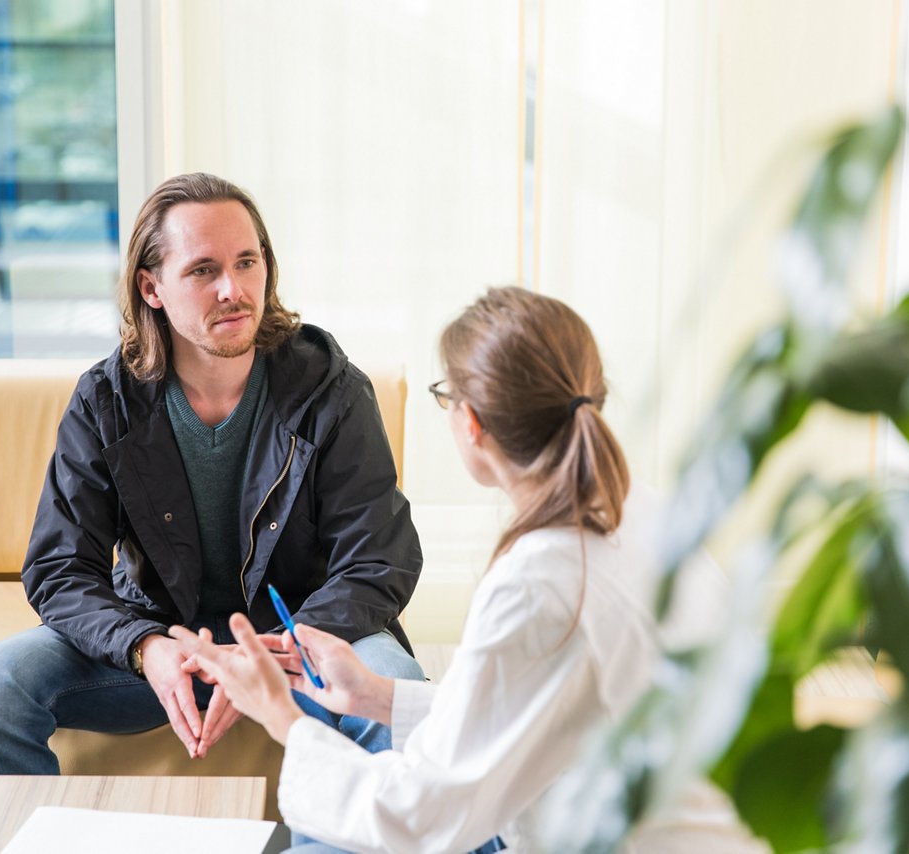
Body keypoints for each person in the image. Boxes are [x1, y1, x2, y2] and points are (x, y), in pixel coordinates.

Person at [172, 286, 767, 853]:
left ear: (472, 422)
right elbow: (526, 713)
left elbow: (421, 817)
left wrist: (280, 715)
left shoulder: (537, 582)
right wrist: (377, 695)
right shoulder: (643, 510)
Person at [0, 173, 425, 774]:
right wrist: (142, 646)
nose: (234, 289)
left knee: (398, 689)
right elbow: (59, 567)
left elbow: (378, 560)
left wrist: (274, 650)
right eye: (203, 270)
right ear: (151, 287)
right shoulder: (105, 401)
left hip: (298, 643)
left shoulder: (331, 390)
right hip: (163, 643)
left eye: (247, 262)